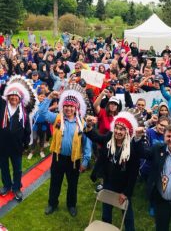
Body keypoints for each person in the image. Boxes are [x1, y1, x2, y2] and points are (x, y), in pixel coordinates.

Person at [84, 110, 145, 231]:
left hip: (123, 186)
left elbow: (133, 174)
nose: (118, 131)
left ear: (127, 132)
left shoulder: (132, 148)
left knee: (127, 213)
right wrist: (89, 126)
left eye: (122, 129)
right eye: (116, 128)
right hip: (108, 182)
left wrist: (126, 193)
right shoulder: (109, 138)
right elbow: (96, 137)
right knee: (106, 210)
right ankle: (106, 228)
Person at [40, 87, 92, 217]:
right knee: (55, 183)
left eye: (71, 106)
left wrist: (85, 161)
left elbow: (87, 144)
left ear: (76, 108)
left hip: (74, 160)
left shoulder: (82, 123)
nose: (69, 108)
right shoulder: (57, 118)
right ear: (63, 107)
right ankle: (52, 204)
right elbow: (42, 113)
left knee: (72, 185)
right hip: (58, 158)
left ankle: (71, 205)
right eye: (66, 106)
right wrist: (50, 97)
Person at [0, 77, 34, 201]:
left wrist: (25, 144)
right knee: (3, 167)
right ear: (8, 97)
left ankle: (16, 188)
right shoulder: (2, 106)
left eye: (16, 96)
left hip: (17, 146)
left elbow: (27, 130)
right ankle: (7, 185)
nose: (14, 98)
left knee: (17, 169)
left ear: (20, 98)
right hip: (2, 145)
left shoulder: (24, 112)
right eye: (12, 96)